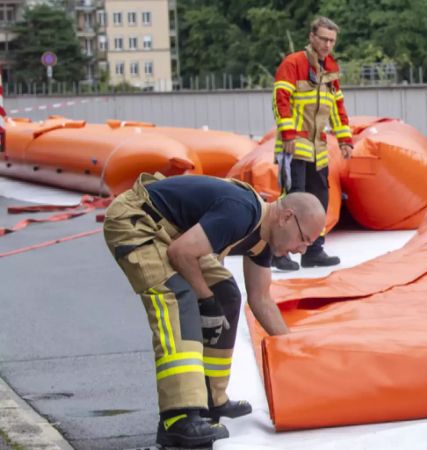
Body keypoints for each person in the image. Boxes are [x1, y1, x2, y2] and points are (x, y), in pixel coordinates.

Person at [103, 173, 324, 447]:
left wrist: (294, 352)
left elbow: (261, 300)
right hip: (137, 223)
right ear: (286, 217)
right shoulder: (241, 212)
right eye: (304, 239)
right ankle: (178, 418)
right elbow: (181, 253)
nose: (302, 250)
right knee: (178, 298)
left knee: (226, 295)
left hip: (171, 233)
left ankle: (211, 400)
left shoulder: (262, 238)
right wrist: (204, 298)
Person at [270, 15, 352, 271]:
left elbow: (337, 106)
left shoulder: (330, 69)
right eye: (324, 39)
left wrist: (345, 139)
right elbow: (280, 99)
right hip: (295, 147)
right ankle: (278, 252)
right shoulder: (293, 63)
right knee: (292, 201)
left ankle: (314, 251)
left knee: (319, 201)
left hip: (319, 149)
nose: (328, 45)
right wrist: (288, 135)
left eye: (332, 41)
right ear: (312, 37)